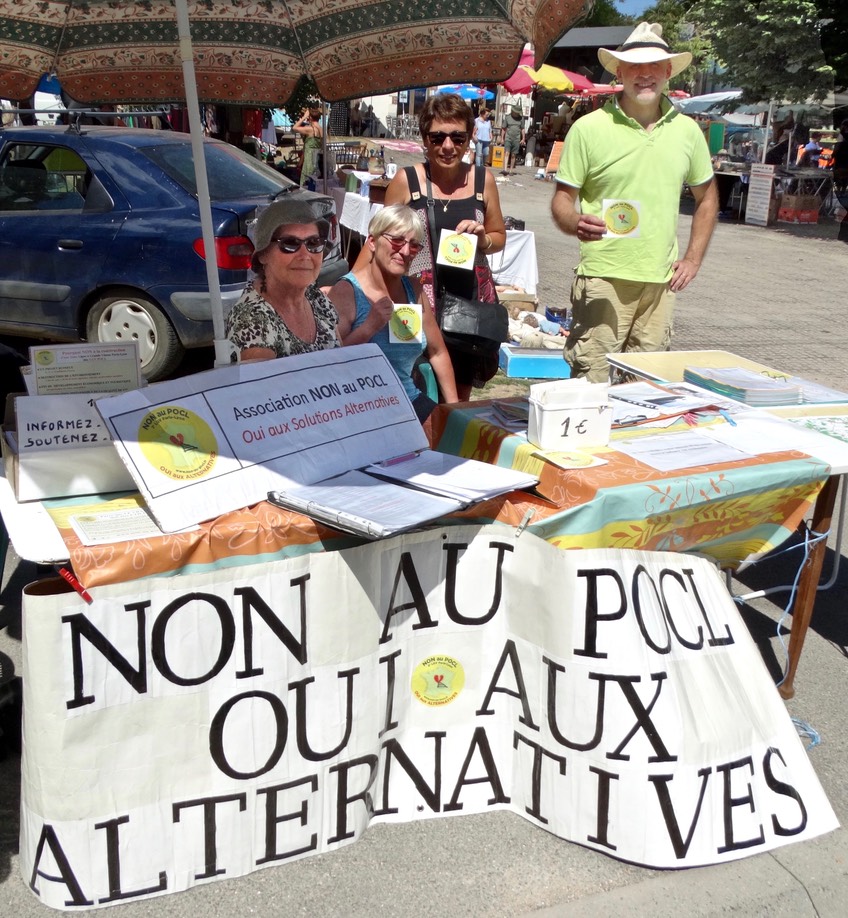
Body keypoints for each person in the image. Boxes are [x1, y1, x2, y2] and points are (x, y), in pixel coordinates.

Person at [551, 21, 718, 383]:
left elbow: (707, 198)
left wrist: (693, 258)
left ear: (668, 71)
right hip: (603, 279)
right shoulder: (588, 128)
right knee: (589, 384)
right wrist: (573, 222)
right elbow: (562, 201)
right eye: (635, 67)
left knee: (644, 392)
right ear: (620, 72)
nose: (645, 75)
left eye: (654, 66)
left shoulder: (687, 131)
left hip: (660, 283)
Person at [379, 92, 507, 400]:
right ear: (424, 138)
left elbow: (498, 236)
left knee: (458, 399)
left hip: (467, 307)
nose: (447, 147)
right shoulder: (405, 181)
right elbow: (380, 244)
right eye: (437, 138)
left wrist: (483, 239)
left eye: (457, 138)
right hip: (415, 305)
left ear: (469, 138)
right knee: (412, 392)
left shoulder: (482, 181)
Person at [328, 205, 458, 423]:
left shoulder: (413, 289)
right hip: (358, 411)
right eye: (397, 241)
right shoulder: (346, 291)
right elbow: (328, 363)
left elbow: (437, 353)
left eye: (414, 246)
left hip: (407, 402)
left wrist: (455, 411)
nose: (405, 252)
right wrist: (369, 326)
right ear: (372, 241)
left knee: (457, 441)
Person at [226, 196, 340, 360]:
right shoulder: (252, 319)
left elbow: (343, 361)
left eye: (314, 243)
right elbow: (264, 385)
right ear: (264, 255)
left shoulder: (316, 297)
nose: (305, 255)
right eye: (290, 243)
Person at [292, 100, 323, 186]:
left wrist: (303, 117)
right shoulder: (321, 130)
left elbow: (294, 128)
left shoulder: (309, 129)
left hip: (309, 161)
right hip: (316, 160)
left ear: (310, 117)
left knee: (306, 184)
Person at [503, 105, 525, 175]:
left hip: (516, 139)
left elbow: (522, 129)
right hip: (508, 138)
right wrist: (502, 138)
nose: (517, 114)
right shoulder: (507, 117)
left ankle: (511, 170)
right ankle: (505, 169)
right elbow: (504, 128)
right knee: (507, 153)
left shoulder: (521, 119)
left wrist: (523, 138)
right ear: (513, 111)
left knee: (513, 155)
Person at [832, 119, 848, 192]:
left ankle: (838, 189)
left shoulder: (842, 135)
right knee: (846, 174)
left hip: (840, 157)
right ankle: (844, 189)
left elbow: (838, 146)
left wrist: (833, 154)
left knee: (839, 173)